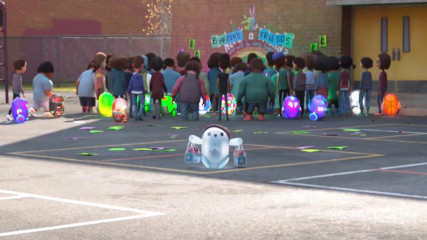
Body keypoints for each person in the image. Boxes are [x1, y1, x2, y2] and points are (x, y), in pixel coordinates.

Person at [127, 55, 146, 121]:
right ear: (141, 65)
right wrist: (143, 91)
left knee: (134, 105)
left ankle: (135, 116)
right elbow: (141, 84)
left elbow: (130, 84)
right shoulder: (140, 76)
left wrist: (128, 91)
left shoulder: (133, 75)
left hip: (133, 91)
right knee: (142, 104)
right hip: (140, 91)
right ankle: (139, 115)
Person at [216, 53, 231, 121]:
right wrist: (228, 90)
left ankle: (220, 116)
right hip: (225, 89)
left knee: (220, 103)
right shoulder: (227, 73)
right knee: (226, 103)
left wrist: (216, 91)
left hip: (221, 89)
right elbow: (228, 83)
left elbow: (217, 83)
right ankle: (227, 116)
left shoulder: (220, 74)